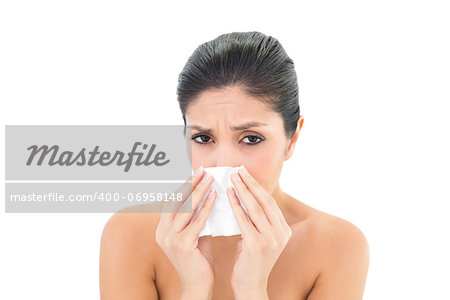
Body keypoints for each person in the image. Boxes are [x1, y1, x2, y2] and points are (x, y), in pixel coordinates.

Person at [99, 31, 370, 300]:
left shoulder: (337, 245)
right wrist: (194, 288)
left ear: (292, 139)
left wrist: (251, 289)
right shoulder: (130, 234)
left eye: (252, 139)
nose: (223, 164)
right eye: (203, 138)